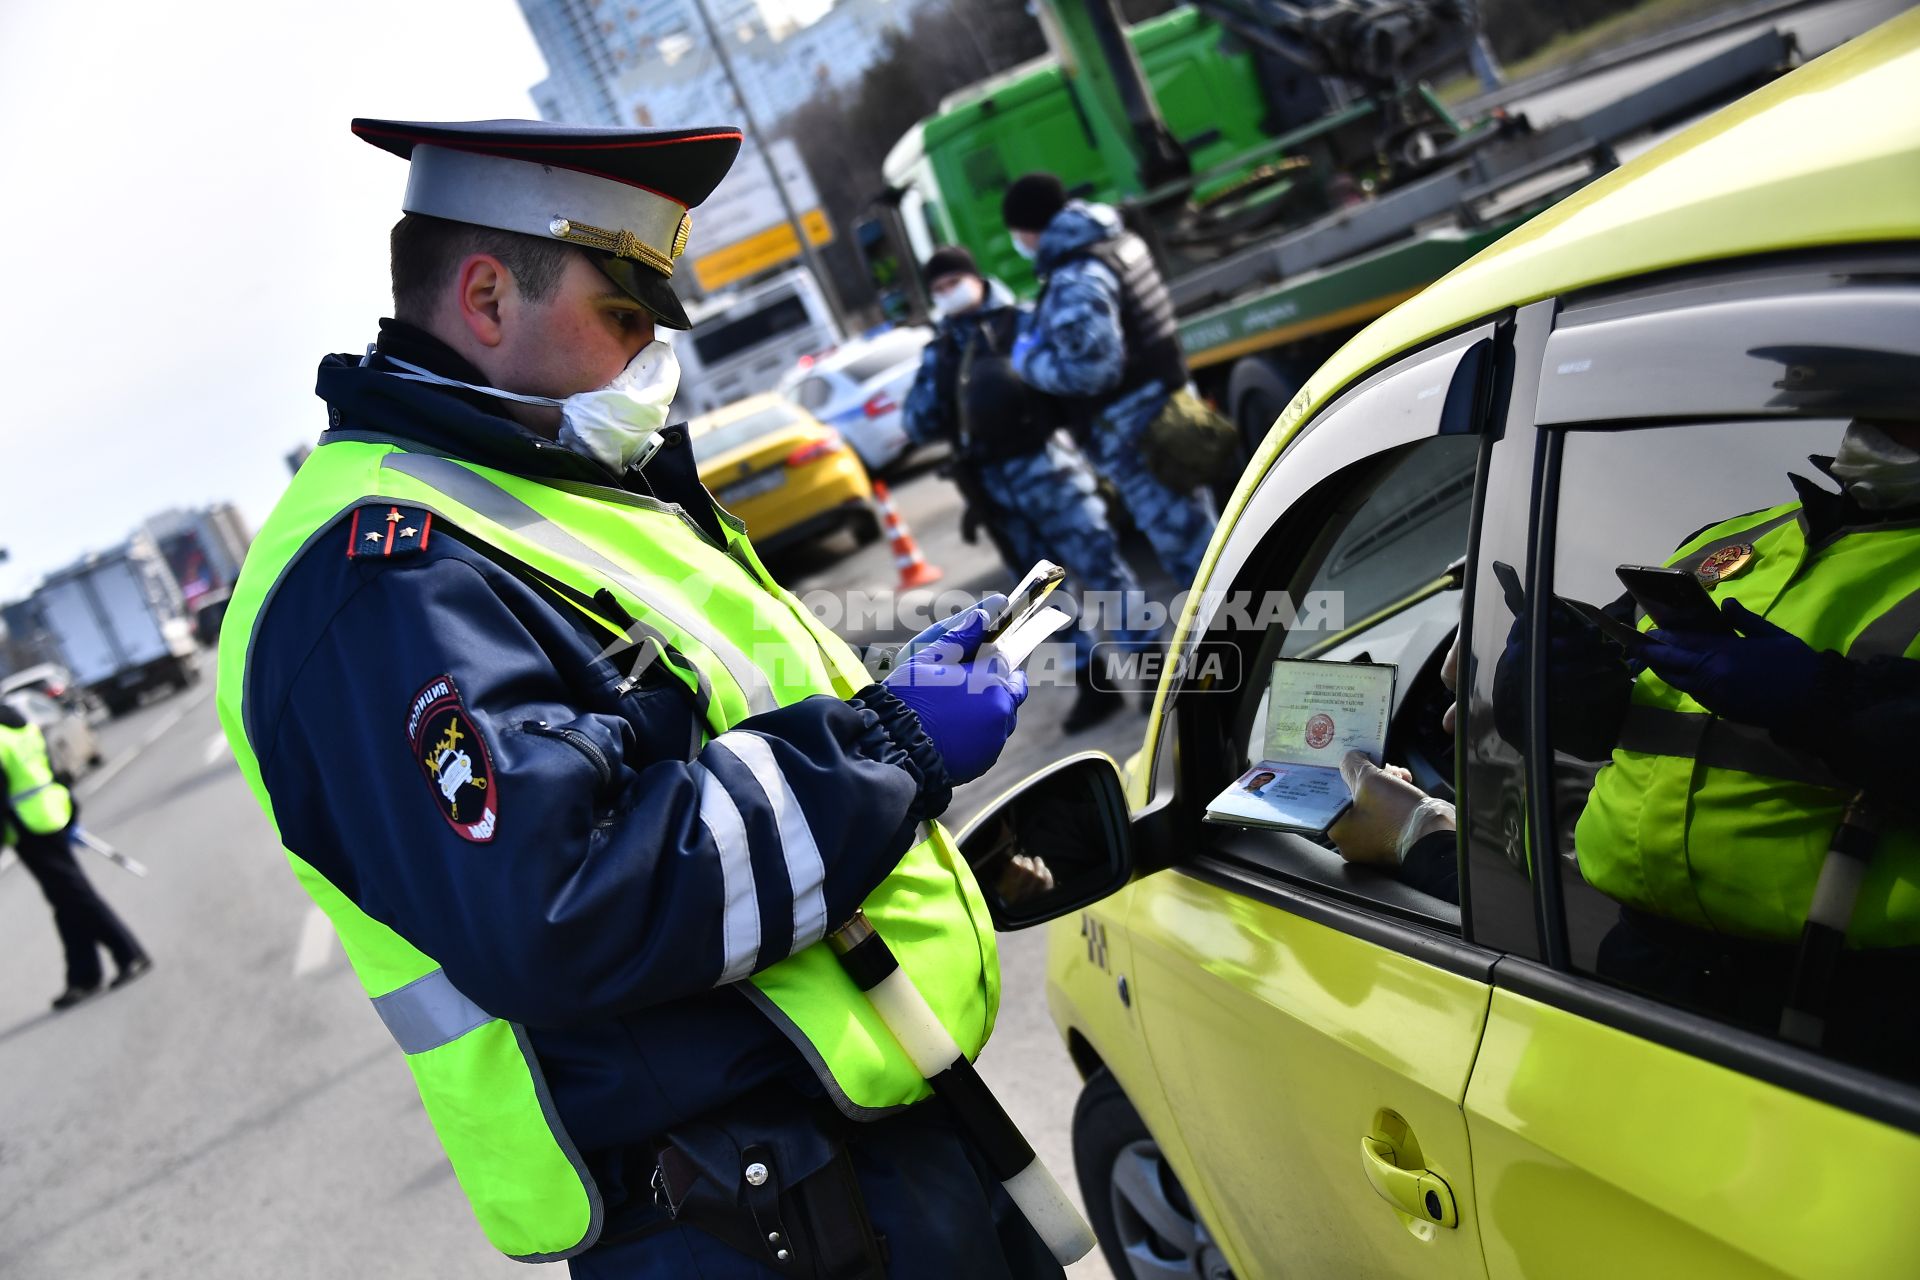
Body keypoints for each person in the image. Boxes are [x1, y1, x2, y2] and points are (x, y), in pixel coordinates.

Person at [216, 119, 1049, 1279]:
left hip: (855, 1156)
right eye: (622, 315)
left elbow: (711, 724)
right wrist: (893, 744)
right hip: (745, 1220)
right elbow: (564, 900)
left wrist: (893, 706)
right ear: (488, 296)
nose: (649, 352)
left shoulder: (551, 486)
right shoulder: (378, 575)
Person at [1333, 419, 1920, 1067]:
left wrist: (1830, 700)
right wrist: (1545, 685)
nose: (1875, 413)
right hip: (1622, 968)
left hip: (1841, 1015)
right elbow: (1594, 715)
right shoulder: (1738, 540)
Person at [903, 244, 1140, 732]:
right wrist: (940, 375)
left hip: (1049, 467)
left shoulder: (1024, 321)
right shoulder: (942, 351)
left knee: (1102, 567)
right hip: (997, 489)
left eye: (953, 282)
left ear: (974, 277)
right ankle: (1094, 685)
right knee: (1038, 595)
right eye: (939, 289)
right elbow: (917, 421)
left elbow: (1071, 380)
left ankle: (1154, 666)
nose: (949, 293)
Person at [1001, 172, 1219, 587]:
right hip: (1166, 414)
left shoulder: (1077, 275)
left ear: (1029, 229)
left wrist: (1028, 360)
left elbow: (1093, 371)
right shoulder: (1116, 242)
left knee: (1193, 557)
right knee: (1202, 538)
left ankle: (1247, 641)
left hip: (1138, 434)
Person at [0, 702, 150, 1009]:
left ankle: (129, 954)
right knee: (65, 899)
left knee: (75, 896)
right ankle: (83, 977)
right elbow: (51, 769)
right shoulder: (17, 723)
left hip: (28, 827)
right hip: (51, 813)